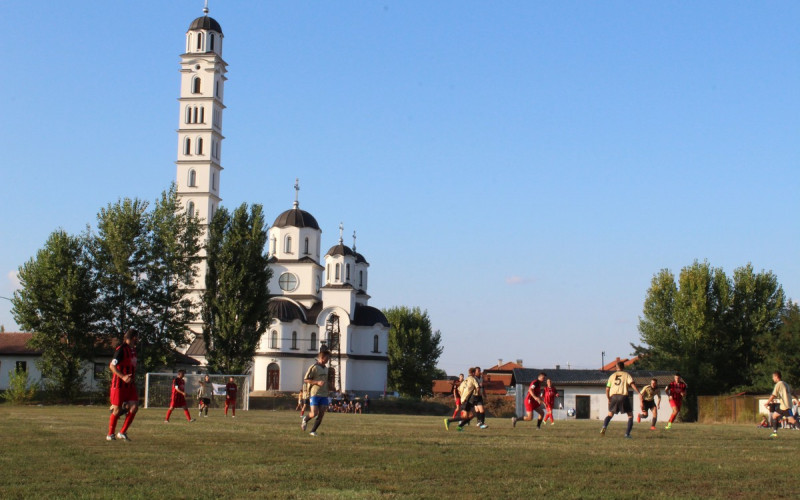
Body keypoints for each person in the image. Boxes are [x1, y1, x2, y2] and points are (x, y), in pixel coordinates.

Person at [107, 328, 139, 441]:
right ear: (134, 337)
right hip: (119, 384)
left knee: (134, 407)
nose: (138, 340)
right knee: (117, 410)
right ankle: (110, 434)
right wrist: (123, 376)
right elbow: (112, 366)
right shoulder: (121, 349)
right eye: (137, 337)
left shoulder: (133, 350)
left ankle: (122, 432)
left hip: (130, 385)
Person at [600, 361, 639, 438]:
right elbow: (632, 384)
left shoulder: (612, 376)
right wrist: (638, 392)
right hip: (623, 396)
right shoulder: (626, 375)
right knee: (630, 415)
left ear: (616, 368)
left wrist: (608, 398)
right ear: (623, 367)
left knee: (610, 415)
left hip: (613, 396)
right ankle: (627, 434)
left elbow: (607, 389)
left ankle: (604, 426)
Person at [301, 345, 332, 437]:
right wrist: (317, 382)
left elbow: (326, 381)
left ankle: (313, 431)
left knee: (321, 414)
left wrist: (331, 387)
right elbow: (306, 379)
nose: (328, 360)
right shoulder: (314, 367)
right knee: (314, 413)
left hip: (324, 394)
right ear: (322, 358)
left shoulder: (326, 369)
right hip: (314, 394)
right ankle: (305, 420)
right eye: (327, 358)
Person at [764, 370, 799, 438]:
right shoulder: (786, 384)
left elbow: (773, 395)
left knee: (792, 420)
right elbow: (793, 393)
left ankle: (775, 432)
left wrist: (767, 402)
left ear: (776, 377)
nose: (772, 378)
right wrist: (797, 400)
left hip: (785, 406)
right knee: (774, 416)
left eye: (773, 377)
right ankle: (775, 432)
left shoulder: (779, 384)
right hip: (783, 406)